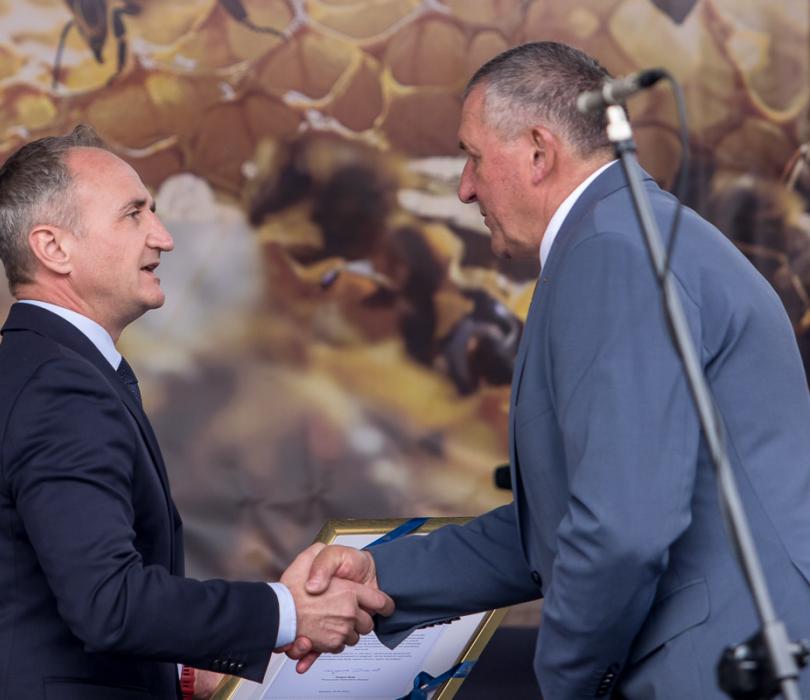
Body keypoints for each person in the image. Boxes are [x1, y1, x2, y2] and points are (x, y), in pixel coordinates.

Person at [291, 41, 810, 698]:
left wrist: (566, 681)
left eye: (474, 157)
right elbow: (564, 527)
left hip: (721, 673)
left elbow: (621, 530)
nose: (465, 187)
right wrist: (380, 576)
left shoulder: (611, 251)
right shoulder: (626, 235)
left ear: (539, 151)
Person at [0, 125, 393, 700]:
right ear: (54, 248)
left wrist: (181, 673)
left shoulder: (33, 371)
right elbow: (108, 604)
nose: (165, 237)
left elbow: (56, 604)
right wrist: (288, 611)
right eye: (134, 214)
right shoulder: (60, 387)